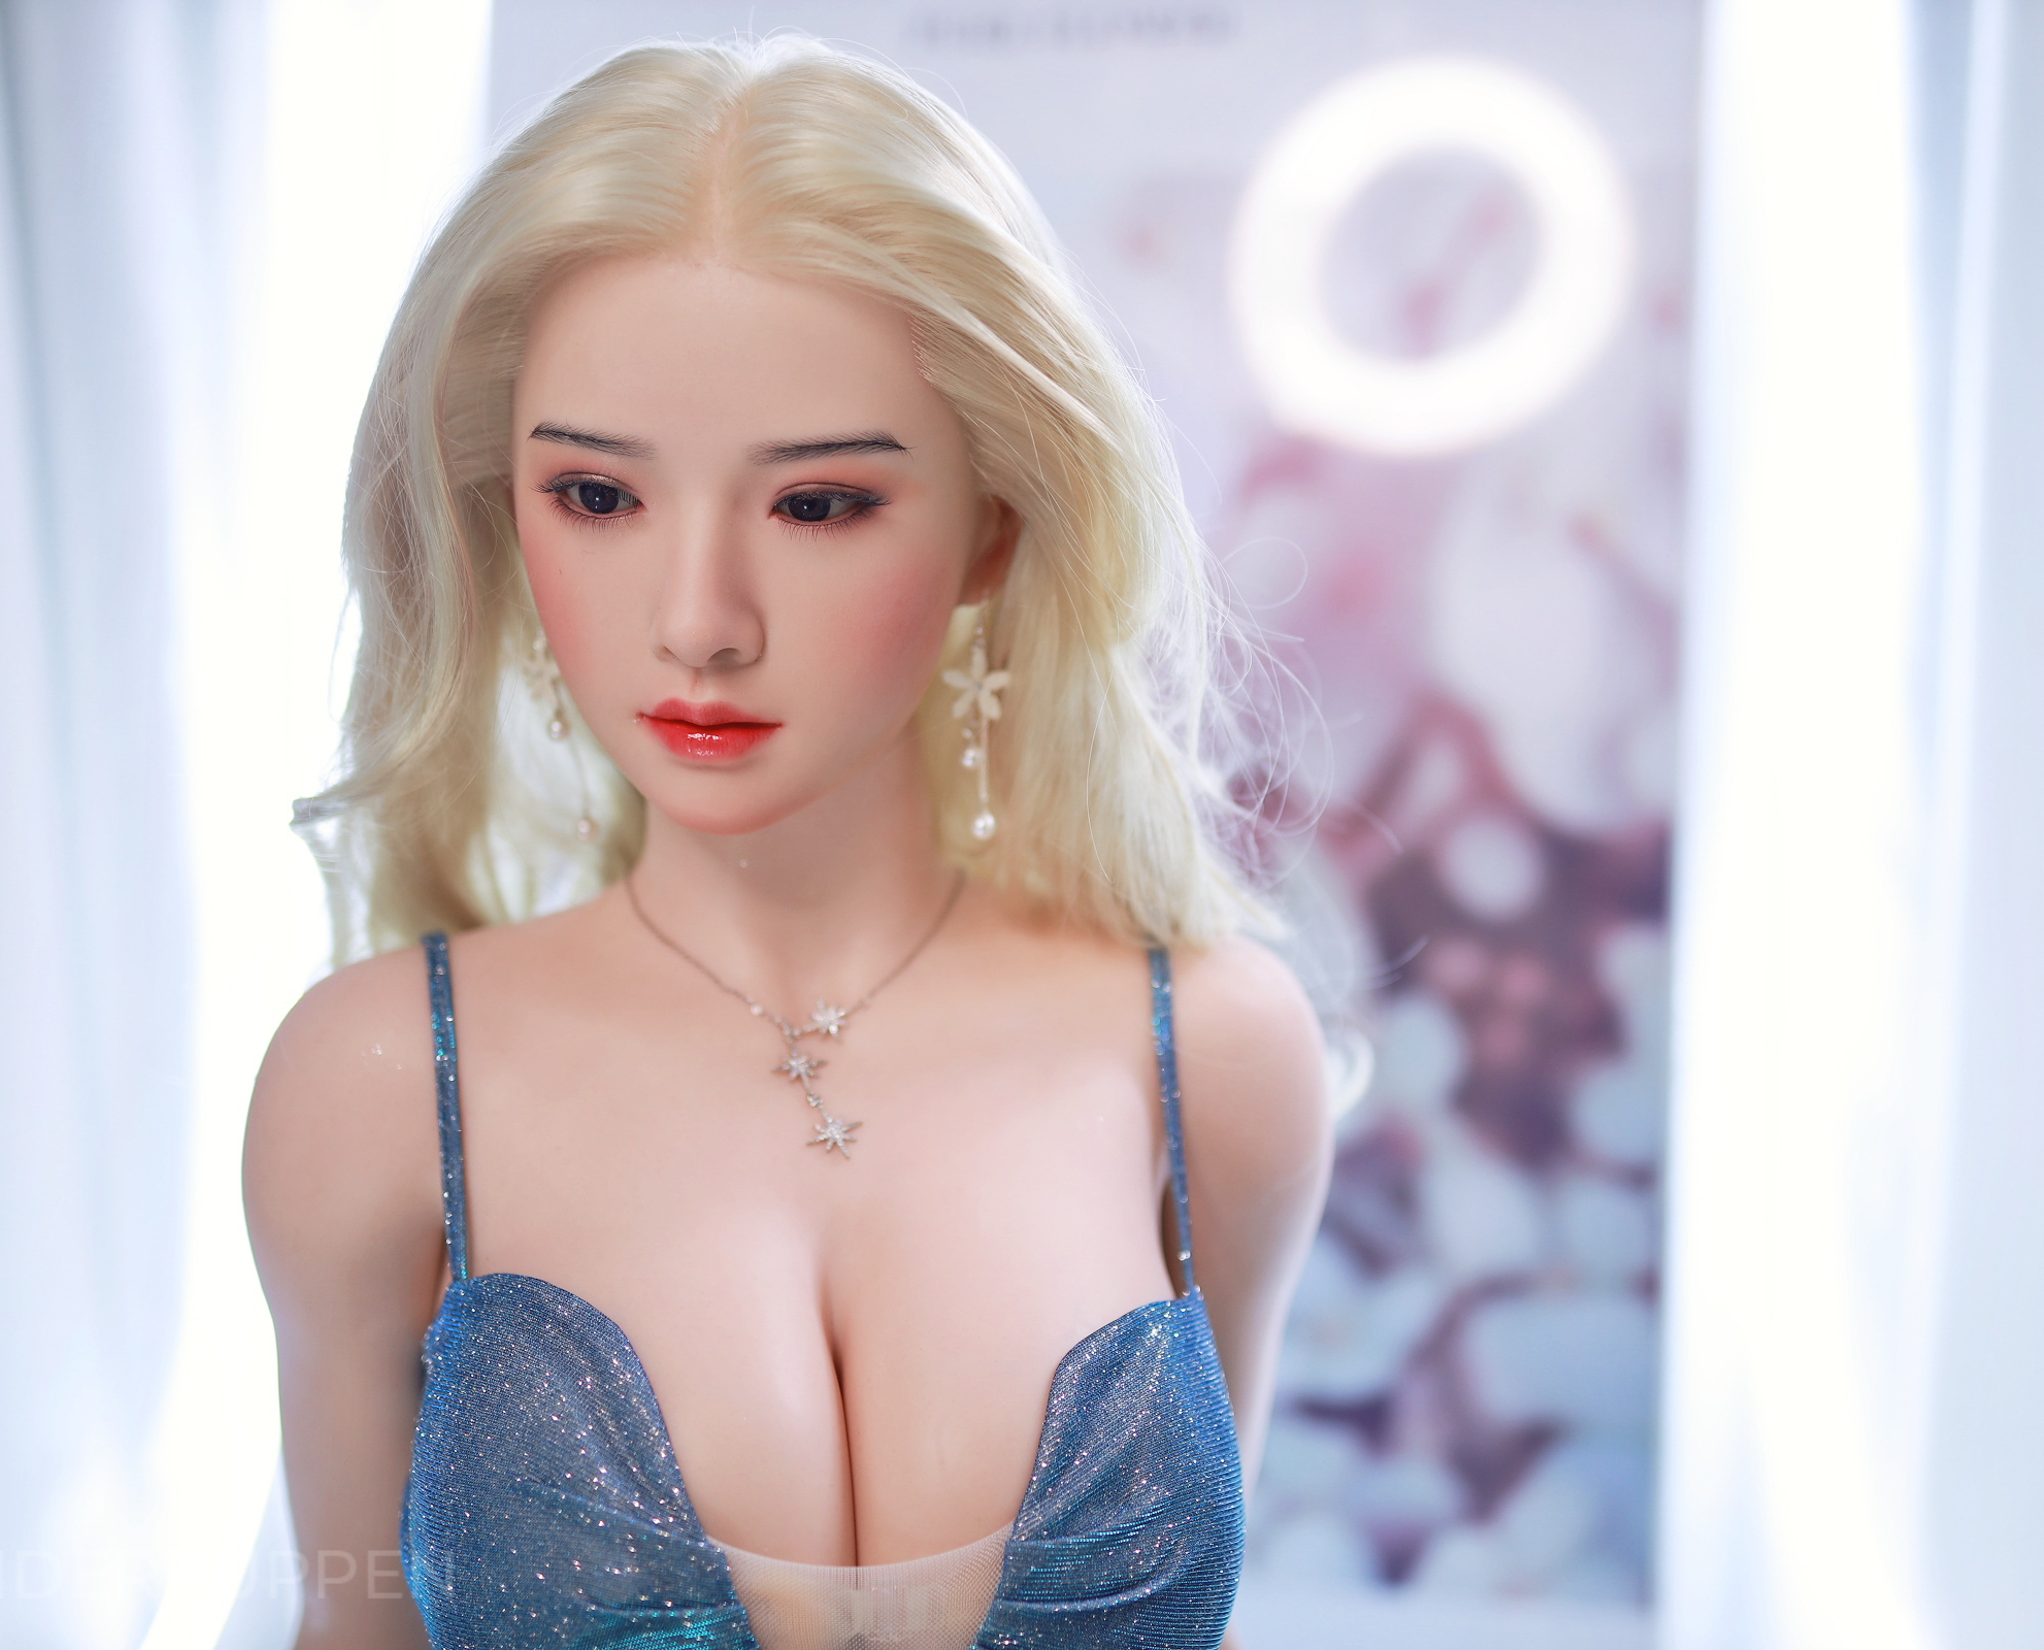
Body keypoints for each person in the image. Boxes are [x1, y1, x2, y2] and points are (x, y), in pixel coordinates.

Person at [244, 34, 1332, 1650]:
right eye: (597, 497)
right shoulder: (378, 1082)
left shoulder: (1212, 1053)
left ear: (998, 521)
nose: (699, 621)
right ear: (500, 513)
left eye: (816, 504)